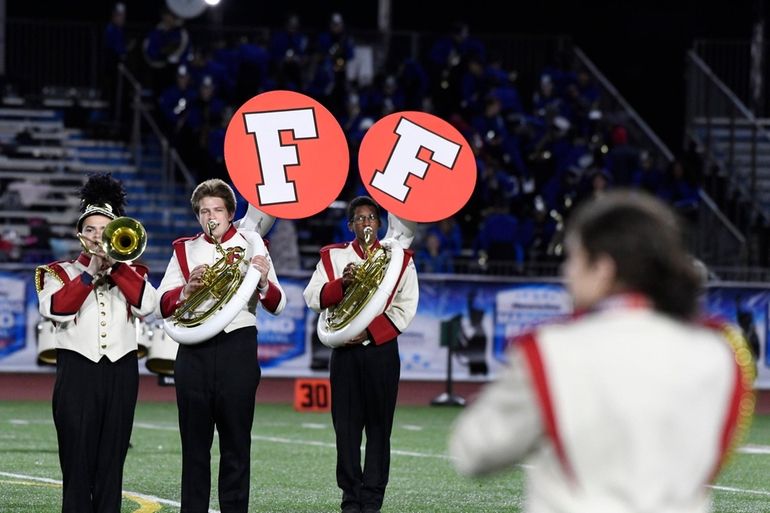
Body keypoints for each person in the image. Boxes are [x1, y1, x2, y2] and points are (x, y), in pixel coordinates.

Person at [449, 189, 755, 513]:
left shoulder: (551, 350)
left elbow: (473, 451)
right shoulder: (720, 349)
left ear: (603, 269)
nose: (567, 272)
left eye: (573, 258)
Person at [156, 178, 286, 513]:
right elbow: (161, 303)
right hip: (194, 351)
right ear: (197, 217)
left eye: (217, 210)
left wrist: (261, 280)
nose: (211, 216)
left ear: (231, 213)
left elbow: (279, 302)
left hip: (238, 349)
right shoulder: (184, 250)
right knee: (195, 448)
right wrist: (186, 290)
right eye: (204, 211)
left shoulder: (253, 245)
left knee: (236, 446)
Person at [35, 172, 158, 513]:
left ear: (117, 233)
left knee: (112, 460)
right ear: (79, 234)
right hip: (77, 372)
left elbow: (150, 305)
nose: (96, 236)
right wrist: (90, 272)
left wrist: (117, 268)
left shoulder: (133, 272)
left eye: (104, 230)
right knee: (76, 458)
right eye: (89, 229)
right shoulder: (58, 272)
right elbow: (57, 309)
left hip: (121, 371)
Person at [303, 196, 419, 513]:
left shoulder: (398, 259)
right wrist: (342, 283)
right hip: (345, 355)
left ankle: (372, 501)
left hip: (381, 351)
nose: (366, 223)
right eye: (359, 218)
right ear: (350, 225)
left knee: (380, 429)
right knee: (347, 429)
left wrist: (369, 332)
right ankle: (350, 499)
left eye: (371, 218)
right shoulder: (334, 257)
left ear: (379, 224)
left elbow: (405, 307)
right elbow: (312, 296)